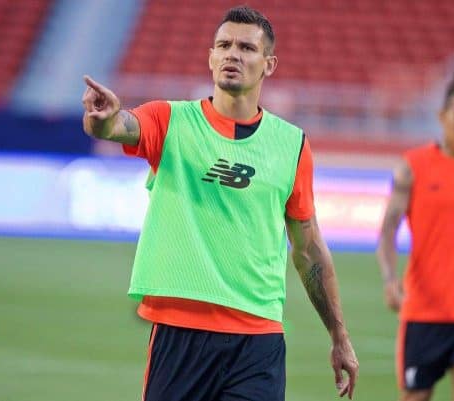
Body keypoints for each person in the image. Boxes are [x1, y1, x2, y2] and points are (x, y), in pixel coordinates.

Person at [82, 6, 358, 401]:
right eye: (224, 45)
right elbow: (118, 126)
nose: (232, 54)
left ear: (269, 64)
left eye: (246, 48)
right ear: (211, 58)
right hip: (181, 336)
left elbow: (309, 249)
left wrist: (339, 336)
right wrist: (101, 120)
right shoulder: (170, 120)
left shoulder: (292, 145)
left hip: (257, 340)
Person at [376, 71, 454, 401]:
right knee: (416, 396)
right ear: (442, 116)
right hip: (425, 309)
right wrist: (390, 280)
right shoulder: (413, 167)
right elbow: (389, 227)